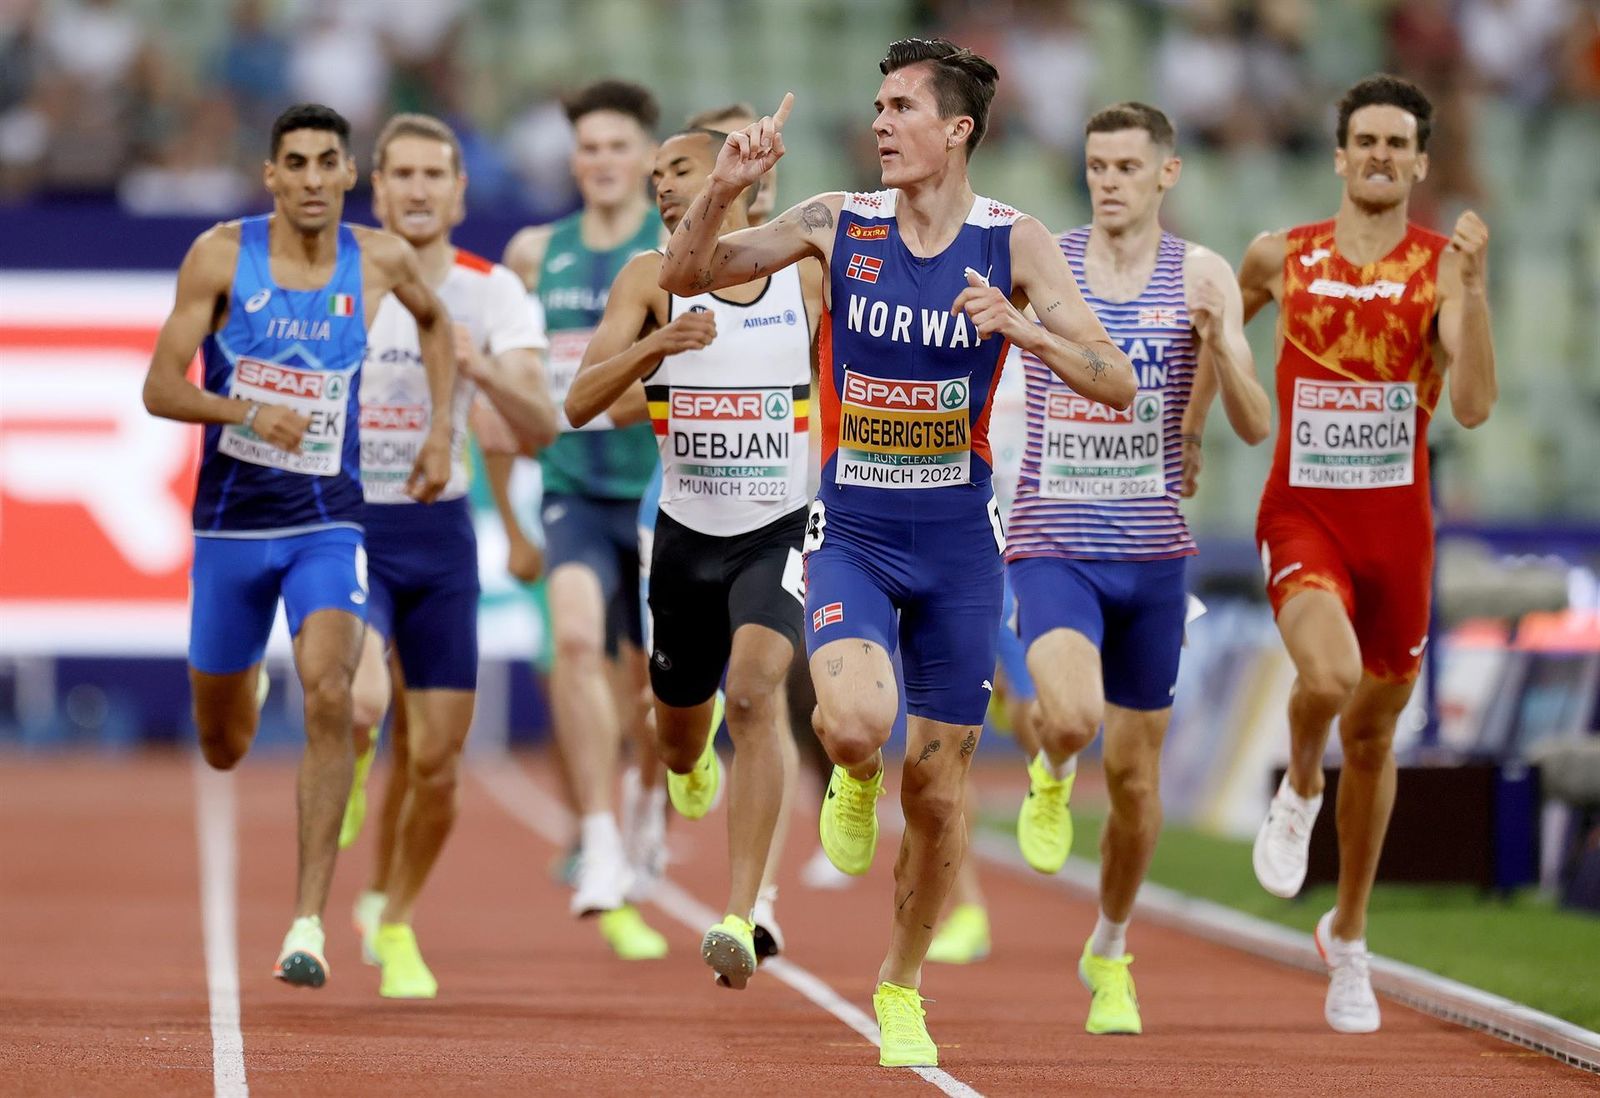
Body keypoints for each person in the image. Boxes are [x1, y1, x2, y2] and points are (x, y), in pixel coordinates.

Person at [660, 38, 1136, 1068]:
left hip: (959, 543)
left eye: (901, 107)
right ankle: (851, 771)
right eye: (876, 107)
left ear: (956, 129)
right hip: (856, 530)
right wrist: (724, 190)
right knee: (852, 725)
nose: (878, 122)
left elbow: (1115, 380)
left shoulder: (1013, 242)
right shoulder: (837, 221)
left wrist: (1026, 331)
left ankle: (901, 984)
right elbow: (685, 273)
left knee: (941, 790)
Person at [141, 103, 454, 989]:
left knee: (332, 693)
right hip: (230, 530)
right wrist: (245, 410)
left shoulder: (381, 259)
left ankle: (307, 923)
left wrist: (439, 432)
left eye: (327, 162)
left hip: (329, 522)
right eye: (297, 163)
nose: (313, 179)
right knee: (222, 744)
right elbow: (159, 387)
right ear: (271, 175)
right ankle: (243, 678)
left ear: (350, 174)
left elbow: (435, 324)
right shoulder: (219, 257)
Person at [1237, 74, 1496, 1034]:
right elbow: (1212, 330)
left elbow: (1473, 406)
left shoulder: (1441, 269)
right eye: (1368, 141)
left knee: (1377, 737)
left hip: (1399, 532)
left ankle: (1347, 936)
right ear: (1340, 156)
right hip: (1303, 514)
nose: (1382, 156)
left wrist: (1477, 289)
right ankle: (1302, 783)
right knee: (1329, 674)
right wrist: (1184, 425)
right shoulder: (1280, 255)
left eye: (1399, 144)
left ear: (1420, 163)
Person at [1005, 102, 1270, 1035]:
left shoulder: (1202, 274)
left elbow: (1255, 424)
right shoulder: (1047, 264)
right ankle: (1049, 766)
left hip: (1154, 554)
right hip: (1053, 537)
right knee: (1074, 716)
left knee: (1136, 782)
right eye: (1096, 165)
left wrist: (1222, 348)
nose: (1108, 181)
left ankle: (1110, 949)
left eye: (1126, 166)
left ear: (1167, 172)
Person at [567, 126, 824, 988]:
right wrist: (656, 349)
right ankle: (688, 753)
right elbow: (579, 404)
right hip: (683, 538)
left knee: (753, 694)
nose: (663, 186)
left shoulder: (804, 275)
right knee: (678, 738)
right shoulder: (648, 279)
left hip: (778, 528)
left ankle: (743, 912)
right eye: (656, 177)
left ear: (731, 178)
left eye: (680, 169)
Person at [341, 112, 559, 998]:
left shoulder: (491, 291)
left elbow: (542, 424)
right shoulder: (338, 276)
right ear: (377, 189)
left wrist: (481, 368)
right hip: (348, 527)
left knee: (435, 764)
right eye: (403, 175)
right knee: (362, 702)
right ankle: (348, 750)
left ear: (461, 192)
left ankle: (395, 919)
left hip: (437, 538)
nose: (420, 190)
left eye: (436, 175)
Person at [491, 80, 668, 956]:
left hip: (661, 493)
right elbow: (507, 381)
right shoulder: (535, 253)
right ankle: (597, 837)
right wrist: (511, 514)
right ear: (573, 158)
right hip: (570, 490)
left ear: (648, 156)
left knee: (652, 696)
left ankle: (648, 804)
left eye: (617, 146)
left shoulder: (673, 247)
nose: (601, 161)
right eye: (588, 147)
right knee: (571, 644)